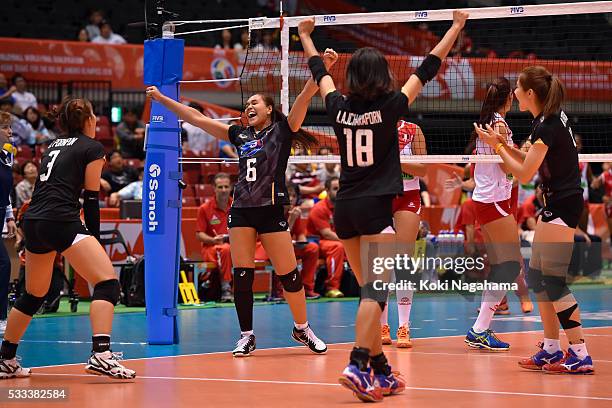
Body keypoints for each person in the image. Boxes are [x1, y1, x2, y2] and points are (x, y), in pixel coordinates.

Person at [298, 11, 468, 401]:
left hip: (345, 209)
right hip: (376, 211)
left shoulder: (338, 107)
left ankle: (381, 371)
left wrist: (306, 36)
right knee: (375, 294)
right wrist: (456, 28)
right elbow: (428, 67)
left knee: (370, 293)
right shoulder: (392, 106)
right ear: (382, 75)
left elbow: (317, 72)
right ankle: (357, 364)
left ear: (353, 77)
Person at [145, 48, 339, 358]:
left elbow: (304, 96)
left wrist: (323, 67)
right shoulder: (239, 135)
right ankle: (247, 335)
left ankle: (302, 327)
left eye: (255, 103)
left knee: (289, 274)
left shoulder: (282, 131)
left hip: (271, 209)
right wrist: (162, 100)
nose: (248, 105)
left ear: (269, 109)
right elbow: (196, 118)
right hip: (242, 211)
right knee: (243, 275)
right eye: (247, 103)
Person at [0, 97, 135, 379]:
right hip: (60, 219)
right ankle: (101, 354)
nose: (97, 121)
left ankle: (6, 359)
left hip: (34, 220)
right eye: (95, 116)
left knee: (34, 293)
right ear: (87, 120)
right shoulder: (93, 148)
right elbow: (92, 199)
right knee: (108, 283)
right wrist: (95, 240)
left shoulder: (52, 145)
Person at [474, 65, 594, 374]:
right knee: (540, 279)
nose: (513, 92)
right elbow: (523, 160)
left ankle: (580, 353)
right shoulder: (545, 121)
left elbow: (523, 173)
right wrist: (499, 145)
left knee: (551, 281)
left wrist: (498, 146)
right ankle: (552, 349)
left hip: (564, 204)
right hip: (556, 202)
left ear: (530, 94)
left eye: (517, 87)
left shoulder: (547, 126)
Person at [464, 77, 523, 351]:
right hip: (494, 200)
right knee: (509, 264)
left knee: (503, 264)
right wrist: (524, 155)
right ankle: (480, 328)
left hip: (486, 199)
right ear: (509, 97)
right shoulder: (499, 124)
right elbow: (506, 167)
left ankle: (480, 328)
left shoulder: (491, 121)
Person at [380, 120, 427, 349]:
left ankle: (404, 326)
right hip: (379, 195)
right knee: (380, 261)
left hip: (408, 196)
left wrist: (395, 160)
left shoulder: (413, 129)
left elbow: (423, 168)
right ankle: (382, 326)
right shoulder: (373, 126)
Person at [196, 173, 234, 302]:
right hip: (211, 247)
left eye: (226, 187)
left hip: (235, 246)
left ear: (231, 187)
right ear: (214, 188)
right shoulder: (204, 208)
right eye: (220, 187)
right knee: (224, 250)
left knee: (228, 249)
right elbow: (199, 234)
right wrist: (213, 240)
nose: (223, 190)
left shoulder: (237, 206)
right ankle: (226, 288)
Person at [306, 177, 346, 298]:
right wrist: (348, 241)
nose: (338, 191)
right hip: (317, 242)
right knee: (337, 247)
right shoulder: (319, 208)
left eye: (340, 188)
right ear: (327, 191)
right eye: (335, 189)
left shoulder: (344, 206)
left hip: (336, 240)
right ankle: (332, 288)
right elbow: (327, 233)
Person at [0, 112, 17, 334]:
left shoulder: (6, 156)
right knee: (3, 263)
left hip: (0, 213)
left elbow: (5, 190)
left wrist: (9, 216)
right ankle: (1, 316)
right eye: (5, 127)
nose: (11, 131)